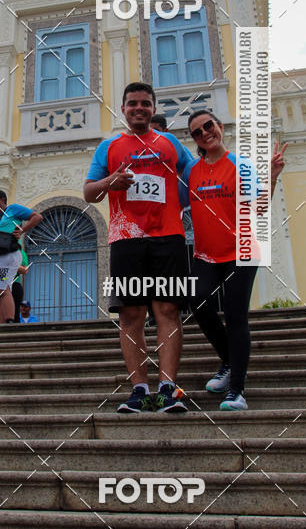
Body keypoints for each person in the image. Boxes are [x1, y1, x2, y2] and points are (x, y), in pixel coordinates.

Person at [84, 82, 194, 414]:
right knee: (131, 315)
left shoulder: (171, 143)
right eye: (133, 103)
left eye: (145, 103)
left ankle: (168, 388)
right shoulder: (109, 147)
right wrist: (109, 183)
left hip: (169, 238)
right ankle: (139, 390)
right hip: (126, 240)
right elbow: (90, 192)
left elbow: (193, 181)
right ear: (124, 108)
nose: (139, 108)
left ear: (153, 108)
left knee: (168, 312)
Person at [182, 110, 288, 410]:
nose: (204, 134)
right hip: (205, 254)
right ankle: (229, 362)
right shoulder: (191, 171)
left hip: (241, 251)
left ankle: (236, 391)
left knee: (235, 313)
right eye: (197, 132)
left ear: (220, 127)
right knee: (198, 300)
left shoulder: (240, 165)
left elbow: (259, 208)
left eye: (208, 126)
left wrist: (273, 176)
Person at [0, 189, 42, 325]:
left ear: (2, 199)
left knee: (3, 288)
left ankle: (10, 321)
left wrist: (22, 230)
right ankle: (2, 325)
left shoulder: (13, 209)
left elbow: (37, 217)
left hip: (7, 255)